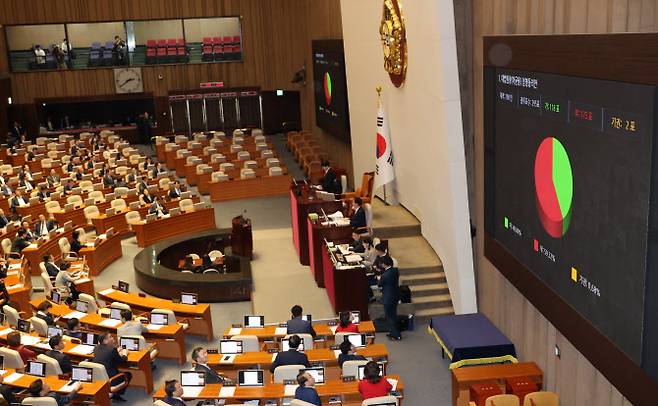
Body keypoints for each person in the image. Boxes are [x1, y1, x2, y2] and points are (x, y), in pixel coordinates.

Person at [92, 333, 132, 402]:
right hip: (110, 379)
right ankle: (115, 394)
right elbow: (122, 362)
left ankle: (112, 394)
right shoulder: (112, 350)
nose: (113, 338)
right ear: (105, 341)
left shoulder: (96, 348)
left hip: (99, 377)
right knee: (128, 374)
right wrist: (125, 353)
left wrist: (117, 351)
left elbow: (107, 355)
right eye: (110, 337)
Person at [378, 256, 401, 340]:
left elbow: (379, 284)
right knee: (393, 315)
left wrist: (379, 278)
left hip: (388, 297)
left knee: (389, 316)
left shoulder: (384, 275)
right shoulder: (395, 270)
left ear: (384, 264)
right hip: (395, 295)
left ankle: (395, 335)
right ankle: (393, 332)